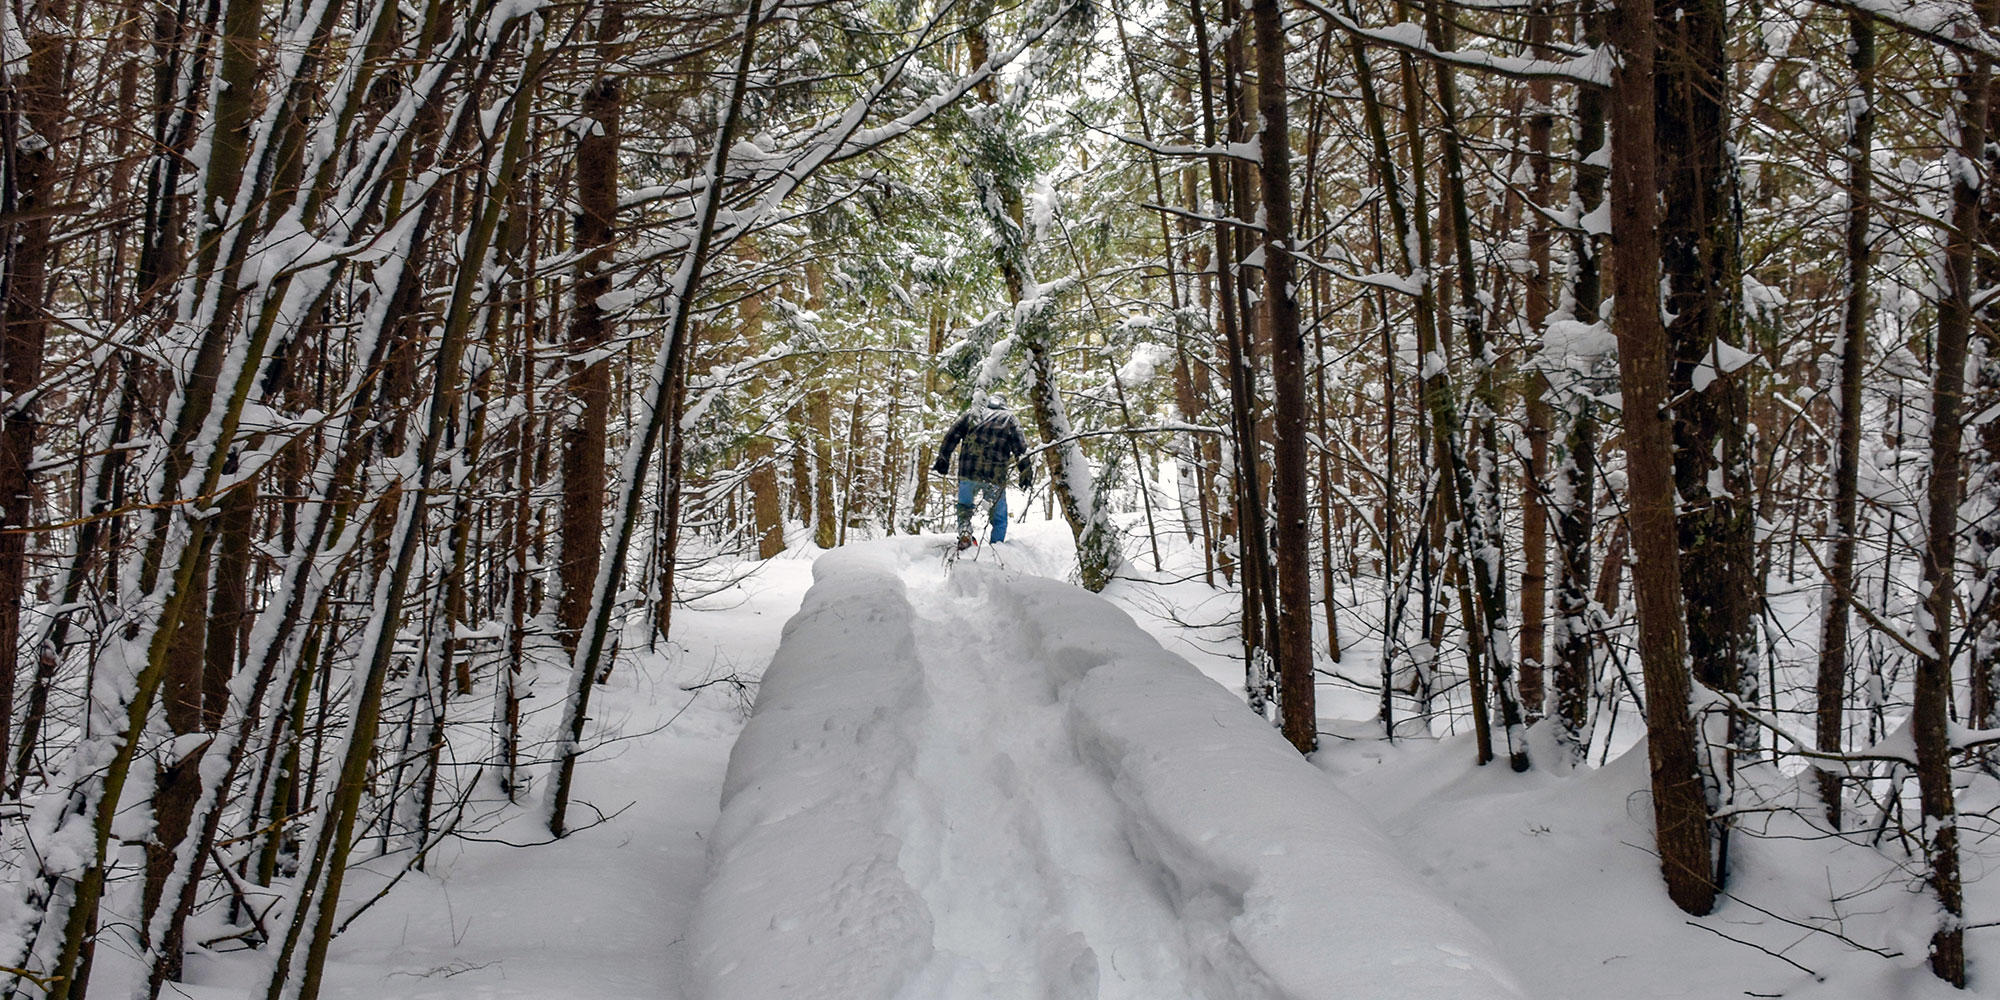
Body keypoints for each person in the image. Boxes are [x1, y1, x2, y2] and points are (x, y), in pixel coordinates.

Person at [932, 395, 1034, 550]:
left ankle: (965, 534)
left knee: (965, 508)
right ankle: (996, 548)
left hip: (968, 473)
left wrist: (943, 458)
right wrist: (1025, 472)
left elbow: (952, 435)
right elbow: (1020, 448)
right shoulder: (1009, 419)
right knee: (999, 518)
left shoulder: (973, 414)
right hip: (994, 476)